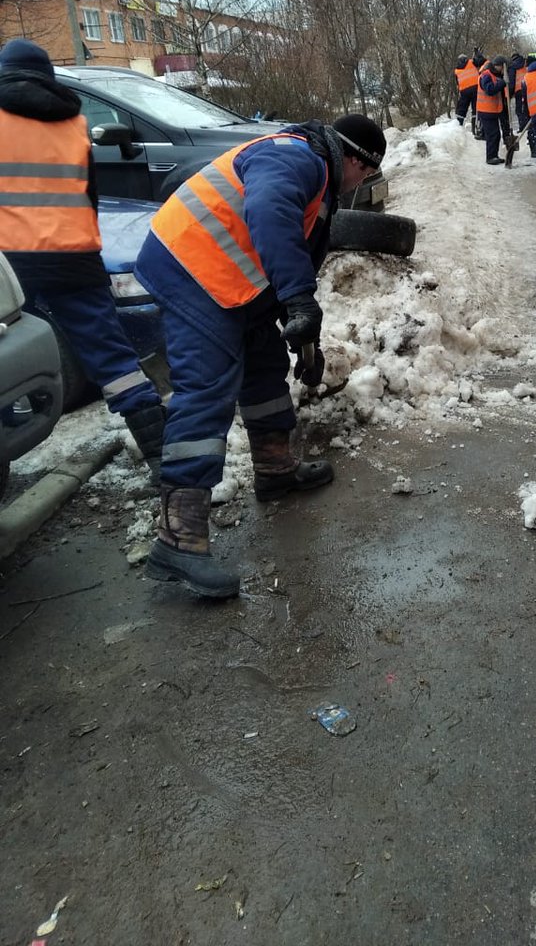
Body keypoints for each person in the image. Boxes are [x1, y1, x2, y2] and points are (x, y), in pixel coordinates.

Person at [134, 112, 388, 599]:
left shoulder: (316, 174)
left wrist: (303, 334)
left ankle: (274, 470)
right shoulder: (297, 157)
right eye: (367, 174)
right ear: (357, 161)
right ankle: (178, 539)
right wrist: (298, 300)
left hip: (227, 279)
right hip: (190, 267)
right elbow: (270, 214)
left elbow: (286, 256)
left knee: (265, 362)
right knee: (206, 390)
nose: (361, 184)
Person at [0, 38, 165, 479]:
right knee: (115, 361)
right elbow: (88, 194)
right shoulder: (73, 120)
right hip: (75, 255)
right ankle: (164, 461)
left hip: (9, 261)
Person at [476, 55, 512, 165]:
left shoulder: (494, 75)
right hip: (486, 111)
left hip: (492, 111)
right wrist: (502, 82)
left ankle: (494, 155)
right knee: (492, 135)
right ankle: (491, 157)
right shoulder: (486, 75)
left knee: (495, 134)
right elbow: (489, 90)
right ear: (500, 66)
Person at [453, 54, 479, 129]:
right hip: (475, 89)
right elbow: (480, 62)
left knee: (461, 110)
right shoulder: (472, 62)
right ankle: (475, 127)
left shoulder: (457, 70)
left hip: (464, 91)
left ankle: (458, 126)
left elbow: (457, 83)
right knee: (476, 109)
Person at [506, 50, 528, 132]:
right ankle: (529, 126)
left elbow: (511, 82)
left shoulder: (512, 66)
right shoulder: (525, 63)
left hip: (519, 90)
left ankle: (523, 127)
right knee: (527, 108)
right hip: (528, 88)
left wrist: (509, 94)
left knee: (519, 110)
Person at [470, 48, 487, 139]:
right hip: (480, 93)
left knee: (482, 112)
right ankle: (480, 130)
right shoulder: (485, 64)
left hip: (483, 95)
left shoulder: (484, 67)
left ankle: (482, 131)